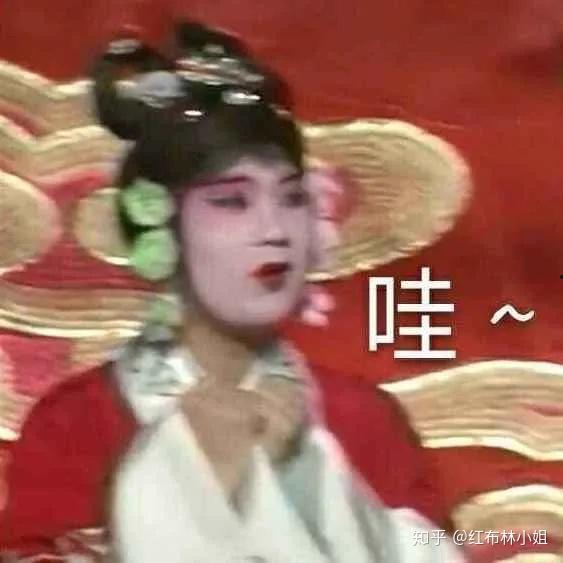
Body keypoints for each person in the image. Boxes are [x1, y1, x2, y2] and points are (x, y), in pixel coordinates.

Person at [0, 21, 465, 562]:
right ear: (160, 223)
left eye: (291, 198)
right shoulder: (78, 423)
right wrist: (190, 476)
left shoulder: (362, 418)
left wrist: (308, 482)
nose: (274, 230)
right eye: (231, 201)